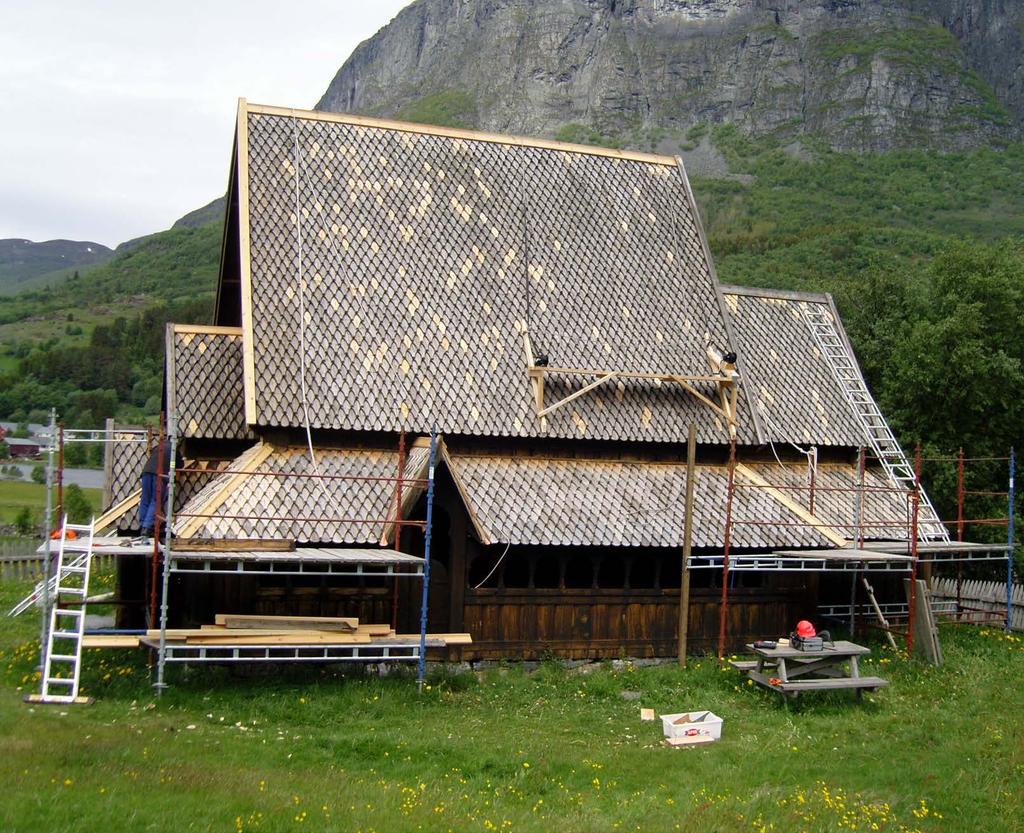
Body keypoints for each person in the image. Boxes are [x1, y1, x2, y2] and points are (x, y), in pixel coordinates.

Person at [138, 440, 181, 537]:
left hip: (146, 473)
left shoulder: (158, 447)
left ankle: (142, 526)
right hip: (159, 475)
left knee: (145, 500)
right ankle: (147, 528)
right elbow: (180, 465)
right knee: (156, 500)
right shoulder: (174, 450)